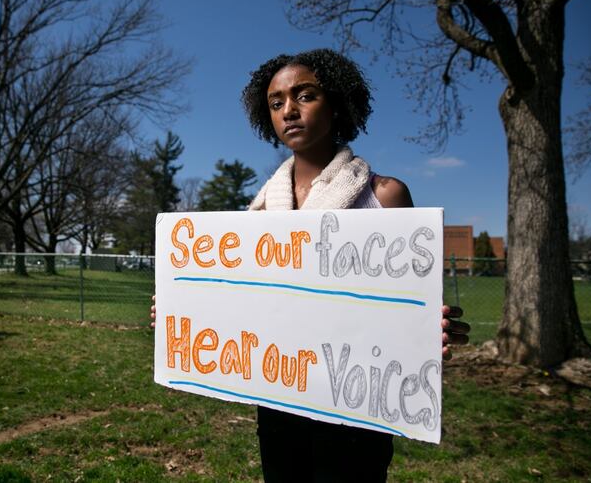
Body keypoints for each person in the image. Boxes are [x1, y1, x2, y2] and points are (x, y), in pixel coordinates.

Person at [151, 48, 470, 482]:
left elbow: (411, 309)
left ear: (336, 102)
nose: (289, 110)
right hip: (280, 400)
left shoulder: (385, 195)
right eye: (276, 102)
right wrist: (179, 309)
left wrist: (433, 328)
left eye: (305, 95)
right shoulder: (258, 217)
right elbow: (241, 303)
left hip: (357, 409)